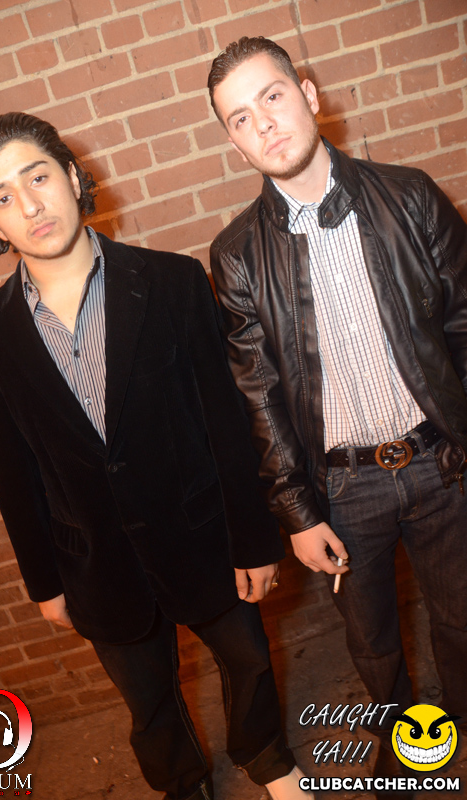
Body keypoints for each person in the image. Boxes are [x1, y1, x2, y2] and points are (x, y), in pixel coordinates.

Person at [0, 112, 314, 800]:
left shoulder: (173, 281)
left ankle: (267, 757)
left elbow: (225, 420)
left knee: (248, 663)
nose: (29, 205)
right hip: (94, 561)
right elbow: (12, 468)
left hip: (204, 536)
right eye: (2, 197)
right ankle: (181, 782)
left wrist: (252, 538)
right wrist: (43, 583)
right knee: (147, 700)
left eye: (38, 178)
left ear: (72, 177)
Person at [208, 36, 467, 795]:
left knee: (460, 617)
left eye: (273, 97)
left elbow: (463, 325)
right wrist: (296, 512)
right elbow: (258, 394)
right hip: (344, 489)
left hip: (440, 462)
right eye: (240, 118)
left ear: (310, 95)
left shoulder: (409, 196)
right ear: (232, 141)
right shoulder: (236, 254)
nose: (263, 123)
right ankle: (404, 737)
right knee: (372, 639)